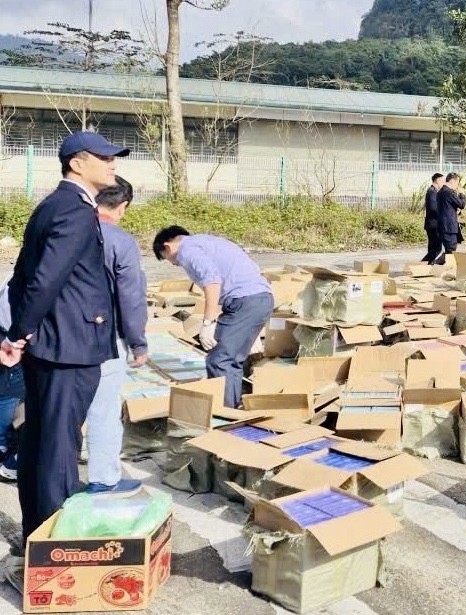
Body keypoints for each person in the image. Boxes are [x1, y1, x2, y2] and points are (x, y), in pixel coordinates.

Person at [1, 131, 126, 588]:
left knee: (40, 441)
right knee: (58, 450)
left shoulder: (53, 205)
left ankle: (39, 536)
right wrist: (18, 332)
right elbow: (44, 279)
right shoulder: (74, 210)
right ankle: (53, 558)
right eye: (105, 156)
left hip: (53, 343)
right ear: (77, 163)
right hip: (70, 348)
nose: (112, 163)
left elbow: (21, 277)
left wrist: (22, 331)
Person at [152, 227, 274, 409]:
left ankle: (224, 413)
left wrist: (208, 322)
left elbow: (212, 282)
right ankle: (235, 405)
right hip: (258, 299)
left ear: (167, 247)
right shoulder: (209, 242)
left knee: (220, 360)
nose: (174, 264)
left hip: (244, 302)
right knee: (229, 357)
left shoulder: (187, 250)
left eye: (169, 260)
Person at [83, 176, 148, 496]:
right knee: (104, 411)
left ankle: (49, 476)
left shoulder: (62, 232)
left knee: (59, 412)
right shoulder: (119, 242)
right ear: (122, 207)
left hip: (56, 339)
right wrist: (138, 343)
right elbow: (131, 298)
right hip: (104, 338)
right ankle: (103, 480)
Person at [0, 273, 24, 483]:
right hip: (11, 342)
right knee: (10, 395)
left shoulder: (17, 273)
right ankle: (6, 451)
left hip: (9, 338)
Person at [436, 172, 466, 264]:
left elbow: (447, 207)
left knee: (449, 250)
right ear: (452, 181)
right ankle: (436, 264)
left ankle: (438, 265)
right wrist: (462, 194)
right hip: (448, 226)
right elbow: (461, 204)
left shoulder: (441, 192)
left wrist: (456, 211)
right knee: (451, 250)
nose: (457, 186)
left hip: (443, 224)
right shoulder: (448, 192)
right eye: (457, 183)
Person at [422, 173, 445, 264]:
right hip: (433, 225)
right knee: (435, 249)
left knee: (434, 248)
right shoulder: (432, 192)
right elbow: (433, 208)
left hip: (433, 224)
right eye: (443, 181)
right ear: (438, 180)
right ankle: (422, 265)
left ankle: (427, 266)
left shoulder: (434, 191)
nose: (444, 183)